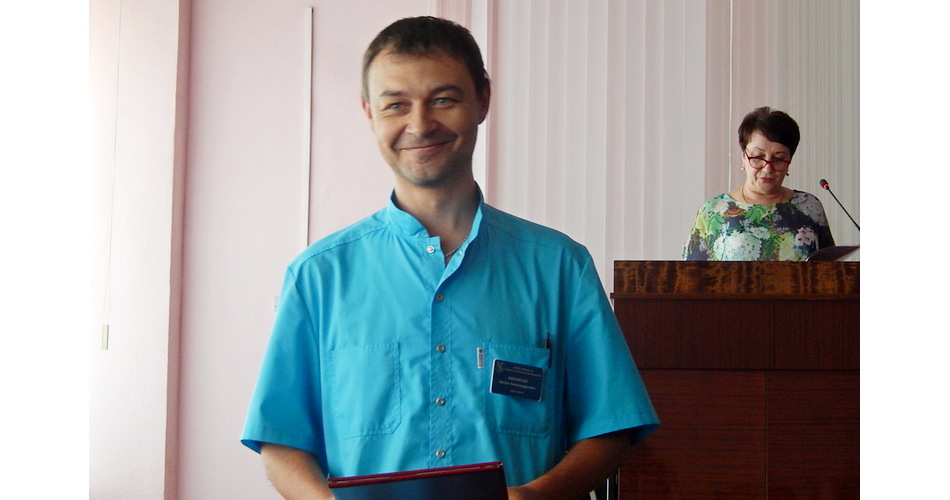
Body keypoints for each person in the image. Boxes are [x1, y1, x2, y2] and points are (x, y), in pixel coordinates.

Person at [241, 16, 658, 500]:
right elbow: (282, 440)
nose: (420, 124)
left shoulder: (560, 267)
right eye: (396, 104)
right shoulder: (318, 277)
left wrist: (537, 496)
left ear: (483, 99)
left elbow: (611, 427)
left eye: (443, 99)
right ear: (369, 112)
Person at [683, 106, 835, 261]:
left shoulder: (809, 207)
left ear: (789, 161)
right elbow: (690, 273)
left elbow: (831, 269)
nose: (767, 168)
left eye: (778, 159)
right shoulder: (714, 211)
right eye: (757, 157)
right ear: (744, 157)